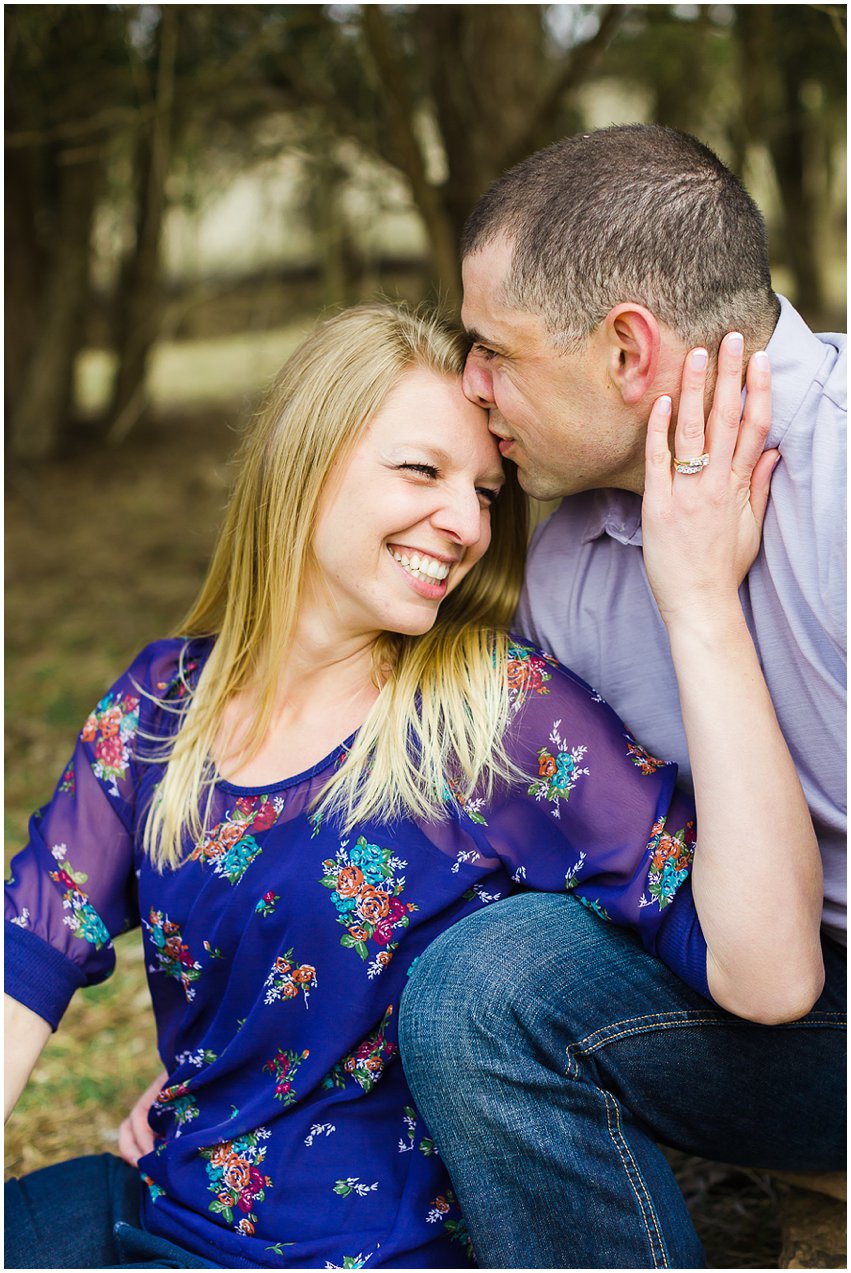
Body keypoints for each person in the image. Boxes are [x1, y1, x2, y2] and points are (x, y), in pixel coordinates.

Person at [4, 296, 821, 1269]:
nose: (464, 523)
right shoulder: (159, 706)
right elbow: (27, 959)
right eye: (420, 471)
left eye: (484, 492)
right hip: (159, 1214)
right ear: (305, 462)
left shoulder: (494, 715)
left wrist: (700, 604)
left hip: (372, 1251)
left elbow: (756, 960)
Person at [397, 125, 847, 1269]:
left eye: (493, 348)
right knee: (482, 986)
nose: (470, 383)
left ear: (625, 351)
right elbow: (504, 855)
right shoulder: (566, 566)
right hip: (786, 1010)